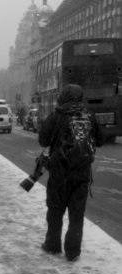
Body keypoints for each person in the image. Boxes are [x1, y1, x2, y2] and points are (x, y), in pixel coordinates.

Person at [38, 83, 104, 262]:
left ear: (63, 97)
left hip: (59, 172)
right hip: (82, 174)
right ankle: (73, 251)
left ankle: (52, 245)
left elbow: (42, 140)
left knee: (55, 210)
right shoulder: (89, 116)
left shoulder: (56, 115)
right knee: (77, 214)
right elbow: (100, 141)